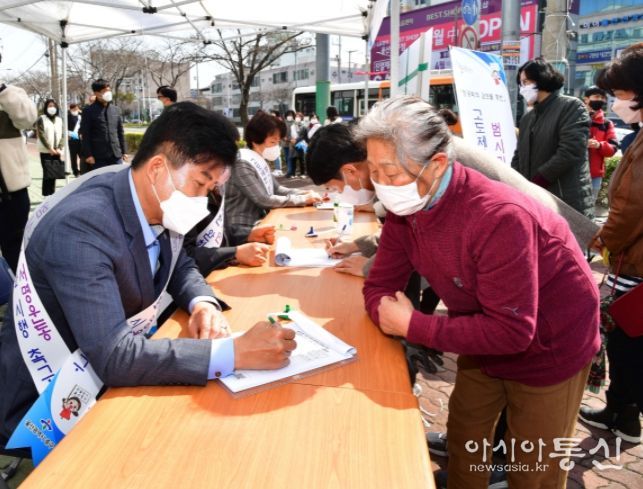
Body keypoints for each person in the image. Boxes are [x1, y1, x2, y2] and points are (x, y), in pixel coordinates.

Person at [0, 102, 296, 449]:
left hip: (115, 378)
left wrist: (202, 303)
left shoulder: (157, 201)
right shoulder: (82, 227)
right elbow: (114, 357)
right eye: (201, 184)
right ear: (157, 167)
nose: (202, 201)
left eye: (211, 188)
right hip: (50, 401)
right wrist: (233, 353)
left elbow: (179, 263)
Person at [358, 96, 600, 489]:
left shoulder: (498, 216)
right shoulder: (409, 208)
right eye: (372, 171)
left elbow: (513, 331)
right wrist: (383, 309)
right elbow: (380, 283)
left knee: (533, 467)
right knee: (466, 436)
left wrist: (412, 325)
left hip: (552, 343)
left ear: (437, 164)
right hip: (482, 329)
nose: (380, 185)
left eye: (389, 172)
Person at [579, 42, 643, 445]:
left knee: (626, 341)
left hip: (634, 261)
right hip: (634, 259)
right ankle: (621, 410)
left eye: (620, 93)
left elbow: (630, 208)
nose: (615, 102)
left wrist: (603, 243)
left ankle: (625, 414)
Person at [511, 58, 594, 218]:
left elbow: (571, 151)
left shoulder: (571, 106)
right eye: (521, 83)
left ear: (542, 78)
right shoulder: (528, 118)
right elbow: (519, 155)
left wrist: (539, 179)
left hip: (565, 198)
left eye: (526, 82)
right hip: (536, 199)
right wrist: (515, 181)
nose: (522, 88)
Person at [224, 110, 321, 244]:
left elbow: (277, 189)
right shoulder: (242, 162)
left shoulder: (258, 159)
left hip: (259, 223)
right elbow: (264, 199)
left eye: (278, 142)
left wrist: (305, 193)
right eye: (273, 142)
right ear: (255, 139)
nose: (276, 147)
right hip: (241, 229)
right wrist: (303, 199)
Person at [306, 123, 377, 278]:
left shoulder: (396, 183)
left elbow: (410, 239)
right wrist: (355, 245)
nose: (338, 194)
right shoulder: (379, 175)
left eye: (335, 188)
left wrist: (372, 266)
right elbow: (393, 233)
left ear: (349, 171)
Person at [183, 187, 275, 275]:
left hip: (218, 271)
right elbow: (184, 256)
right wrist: (234, 254)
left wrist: (249, 234)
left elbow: (223, 231)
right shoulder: (183, 200)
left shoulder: (214, 190)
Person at [0, 76, 38, 273]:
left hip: (12, 188)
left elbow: (28, 120)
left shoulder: (12, 94)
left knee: (15, 245)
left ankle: (22, 289)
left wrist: (2, 92)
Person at [80, 79, 127, 173]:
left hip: (115, 155)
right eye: (104, 91)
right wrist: (88, 155)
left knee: (117, 181)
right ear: (97, 93)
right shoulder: (88, 111)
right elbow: (85, 134)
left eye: (109, 90)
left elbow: (120, 132)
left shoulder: (116, 110)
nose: (108, 93)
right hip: (98, 157)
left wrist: (124, 151)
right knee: (101, 183)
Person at [584, 86, 618, 200]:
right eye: (596, 96)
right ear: (586, 99)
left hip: (594, 175)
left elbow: (613, 149)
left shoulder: (607, 123)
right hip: (573, 172)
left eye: (602, 98)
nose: (600, 100)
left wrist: (599, 145)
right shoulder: (575, 118)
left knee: (590, 208)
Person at [36, 98, 64, 196]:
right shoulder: (41, 119)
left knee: (54, 173)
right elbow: (41, 134)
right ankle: (46, 195)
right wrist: (50, 148)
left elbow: (63, 134)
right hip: (46, 151)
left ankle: (52, 194)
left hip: (57, 151)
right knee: (47, 173)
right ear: (46, 107)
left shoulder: (59, 120)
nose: (52, 108)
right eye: (49, 106)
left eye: (53, 106)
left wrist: (60, 147)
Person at [67, 103, 82, 177]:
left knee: (82, 155)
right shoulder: (68, 117)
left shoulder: (80, 116)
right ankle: (75, 171)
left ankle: (82, 169)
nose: (75, 110)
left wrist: (80, 111)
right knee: (73, 157)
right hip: (72, 139)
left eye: (76, 108)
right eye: (74, 109)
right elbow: (65, 127)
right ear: (70, 109)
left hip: (80, 139)